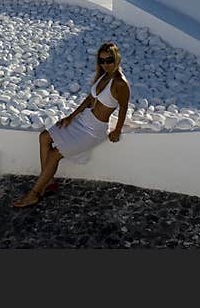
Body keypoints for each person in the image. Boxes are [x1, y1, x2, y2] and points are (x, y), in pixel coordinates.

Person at [12, 42, 131, 208]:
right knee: (44, 136)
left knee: (54, 154)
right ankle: (48, 181)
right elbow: (90, 99)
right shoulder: (103, 75)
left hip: (94, 130)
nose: (105, 64)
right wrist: (71, 116)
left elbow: (124, 107)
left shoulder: (120, 83)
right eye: (101, 61)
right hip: (83, 121)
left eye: (109, 60)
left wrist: (117, 130)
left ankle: (34, 194)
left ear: (117, 58)